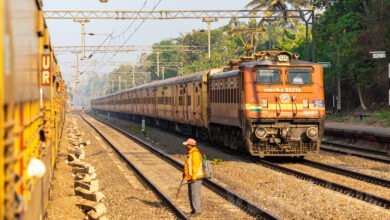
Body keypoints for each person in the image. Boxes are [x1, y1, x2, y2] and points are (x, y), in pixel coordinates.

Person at [183, 138, 203, 217]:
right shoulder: (191, 152)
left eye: (187, 145)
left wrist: (194, 177)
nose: (185, 146)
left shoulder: (195, 154)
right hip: (191, 177)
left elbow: (196, 166)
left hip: (196, 177)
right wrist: (185, 174)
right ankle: (193, 210)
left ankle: (197, 211)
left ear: (190, 145)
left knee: (195, 194)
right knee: (191, 194)